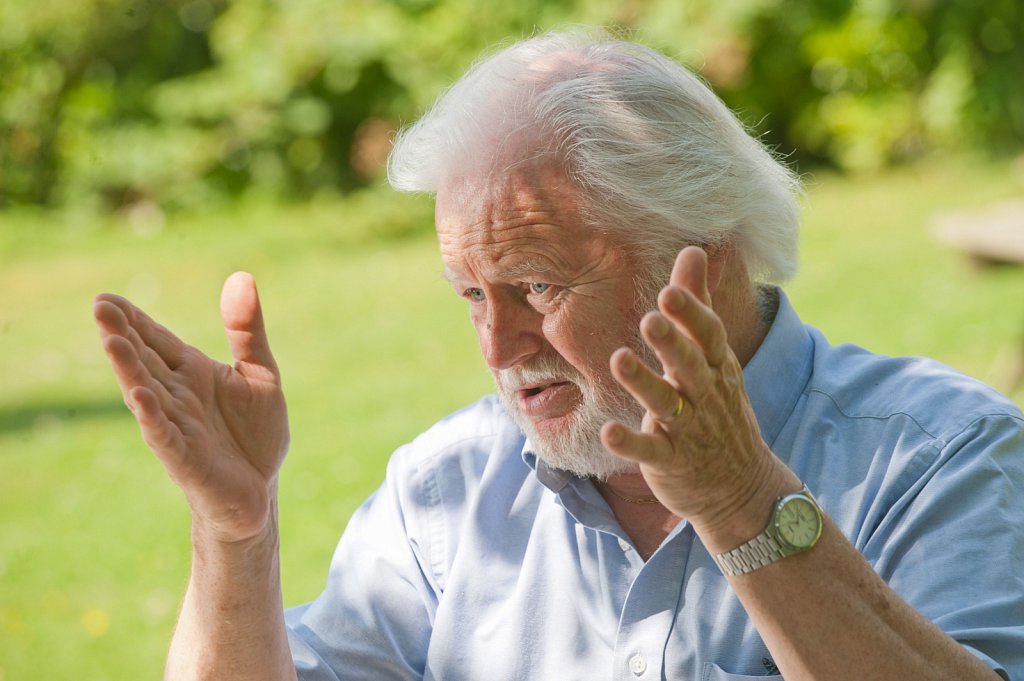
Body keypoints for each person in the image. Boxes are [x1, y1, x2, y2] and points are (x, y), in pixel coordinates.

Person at [93, 30, 1023, 681]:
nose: (498, 347)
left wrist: (745, 504)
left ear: (708, 267)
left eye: (537, 286)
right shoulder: (445, 492)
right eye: (470, 294)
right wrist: (235, 531)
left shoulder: (943, 454)